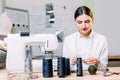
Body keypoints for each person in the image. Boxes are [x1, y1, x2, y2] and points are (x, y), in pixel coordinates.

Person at [63, 6, 108, 70]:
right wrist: (72, 62)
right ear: (75, 22)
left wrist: (98, 63)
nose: (83, 26)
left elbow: (104, 67)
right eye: (79, 22)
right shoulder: (68, 40)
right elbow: (64, 68)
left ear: (92, 20)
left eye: (87, 22)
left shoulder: (102, 39)